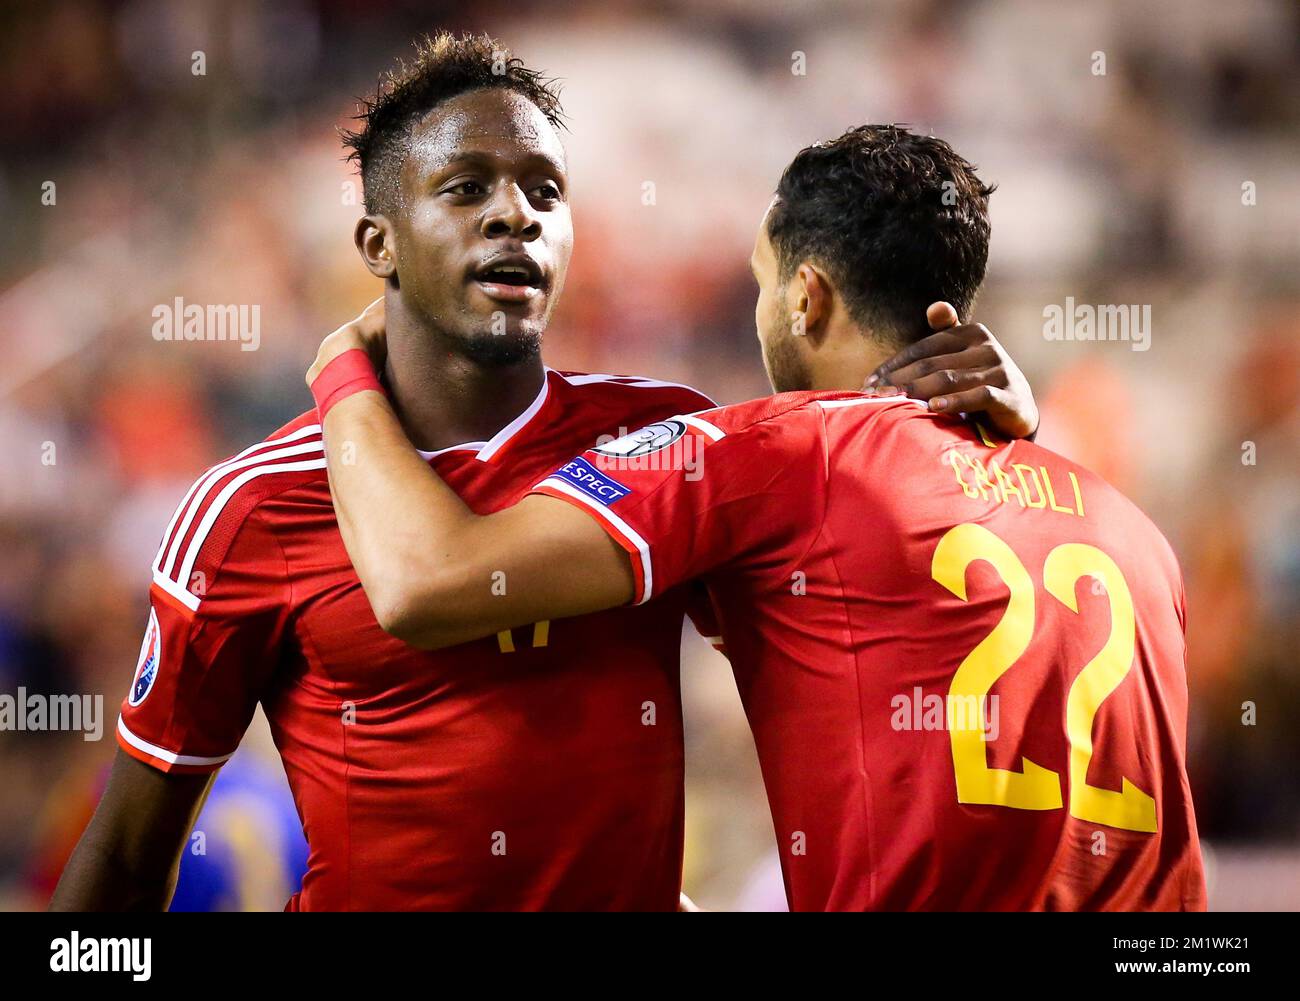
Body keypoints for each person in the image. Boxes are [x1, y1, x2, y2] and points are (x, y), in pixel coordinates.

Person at [51, 39, 1040, 911]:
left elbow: (868, 614)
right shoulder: (249, 507)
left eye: (545, 189)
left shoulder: (665, 429)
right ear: (376, 243)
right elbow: (131, 847)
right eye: (466, 186)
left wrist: (982, 432)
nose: (514, 215)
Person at [314, 125, 1205, 911]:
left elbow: (424, 580)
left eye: (762, 282)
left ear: (805, 296)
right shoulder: (1134, 533)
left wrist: (342, 372)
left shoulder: (777, 454)